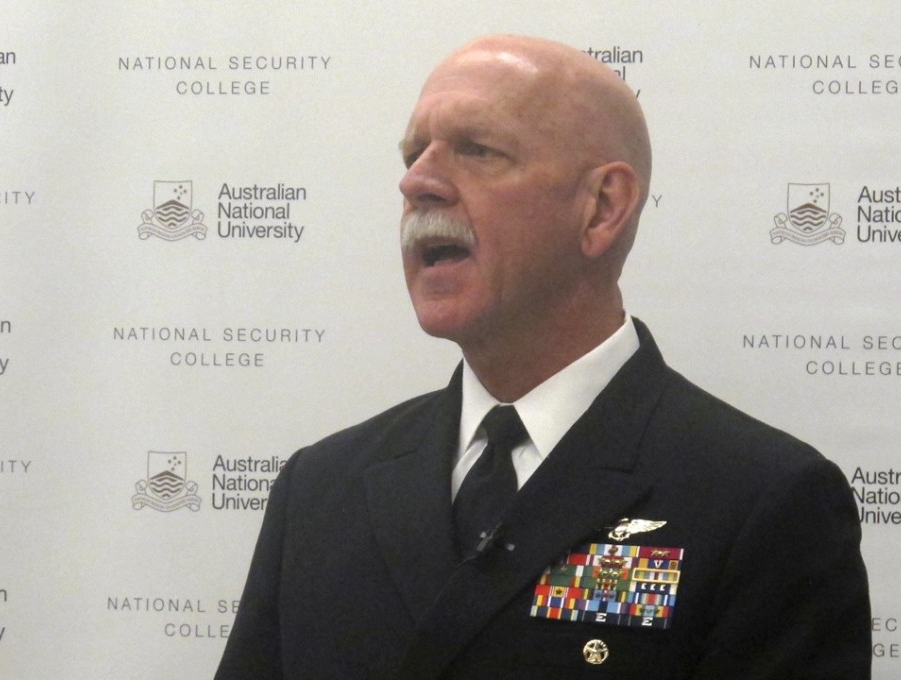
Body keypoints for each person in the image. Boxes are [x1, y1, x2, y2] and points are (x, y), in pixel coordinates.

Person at [215, 35, 870, 679]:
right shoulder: (319, 488)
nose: (417, 182)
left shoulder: (764, 502)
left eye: (477, 150)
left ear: (601, 207)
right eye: (416, 153)